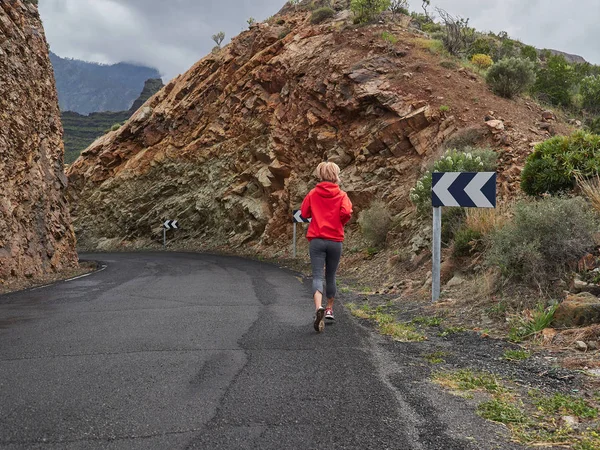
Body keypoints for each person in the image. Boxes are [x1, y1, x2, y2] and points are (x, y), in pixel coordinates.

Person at [300, 162, 353, 333]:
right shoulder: (342, 195)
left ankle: (318, 309)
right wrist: (339, 223)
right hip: (335, 240)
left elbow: (304, 213)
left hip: (317, 239)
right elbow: (346, 213)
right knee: (330, 275)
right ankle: (329, 309)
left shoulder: (313, 194)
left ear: (320, 174)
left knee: (317, 275)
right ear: (336, 174)